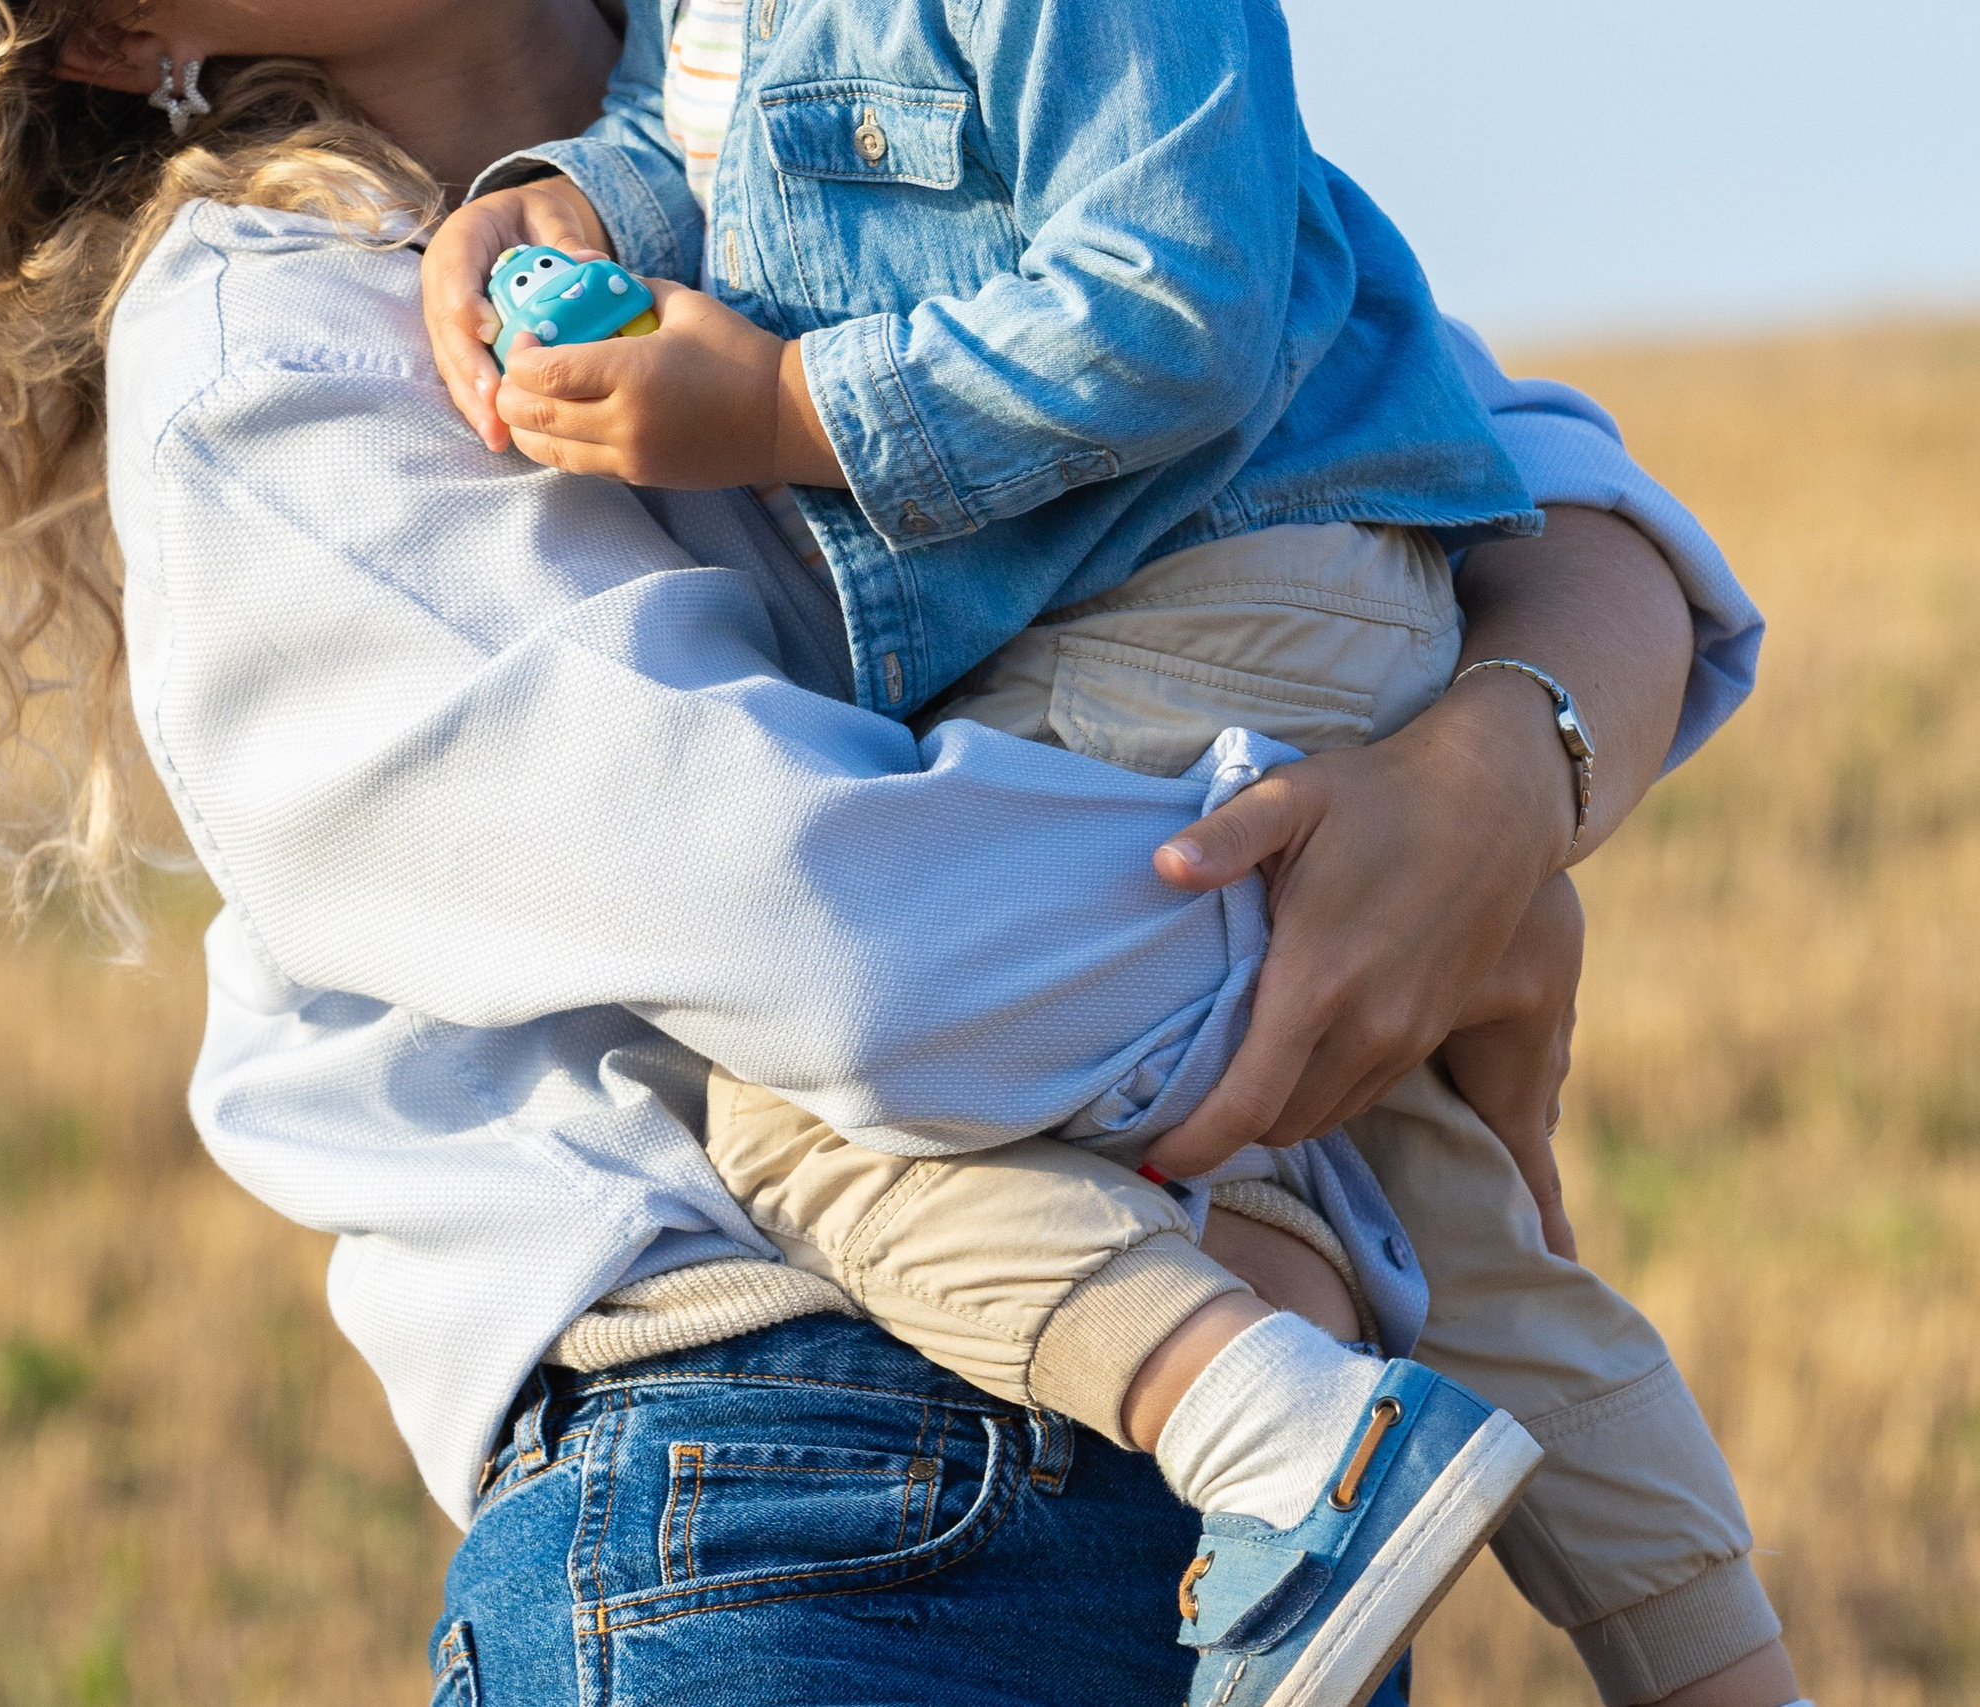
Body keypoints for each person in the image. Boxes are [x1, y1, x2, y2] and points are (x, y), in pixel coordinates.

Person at [0, 0, 1795, 1701]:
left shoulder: (824, 59)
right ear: (118, 37)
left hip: (1234, 1477)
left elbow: (1516, 471)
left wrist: (1493, 779)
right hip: (800, 1502)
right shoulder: (278, 356)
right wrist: (1392, 899)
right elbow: (844, 953)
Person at [415, 2, 1800, 1701]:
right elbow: (705, 132)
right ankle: (1725, 1673)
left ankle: (1288, 1446)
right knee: (1451, 1222)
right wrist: (565, 198)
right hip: (1243, 606)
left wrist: (787, 407)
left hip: (1192, 596)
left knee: (801, 1112)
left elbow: (1178, 300)